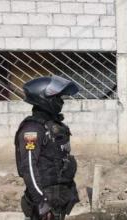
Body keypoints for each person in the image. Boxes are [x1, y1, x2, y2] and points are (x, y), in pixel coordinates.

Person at [15, 75, 80, 220]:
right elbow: (29, 168)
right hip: (44, 202)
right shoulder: (32, 129)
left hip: (58, 198)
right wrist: (41, 202)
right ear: (45, 99)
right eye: (58, 98)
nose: (61, 101)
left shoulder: (52, 125)